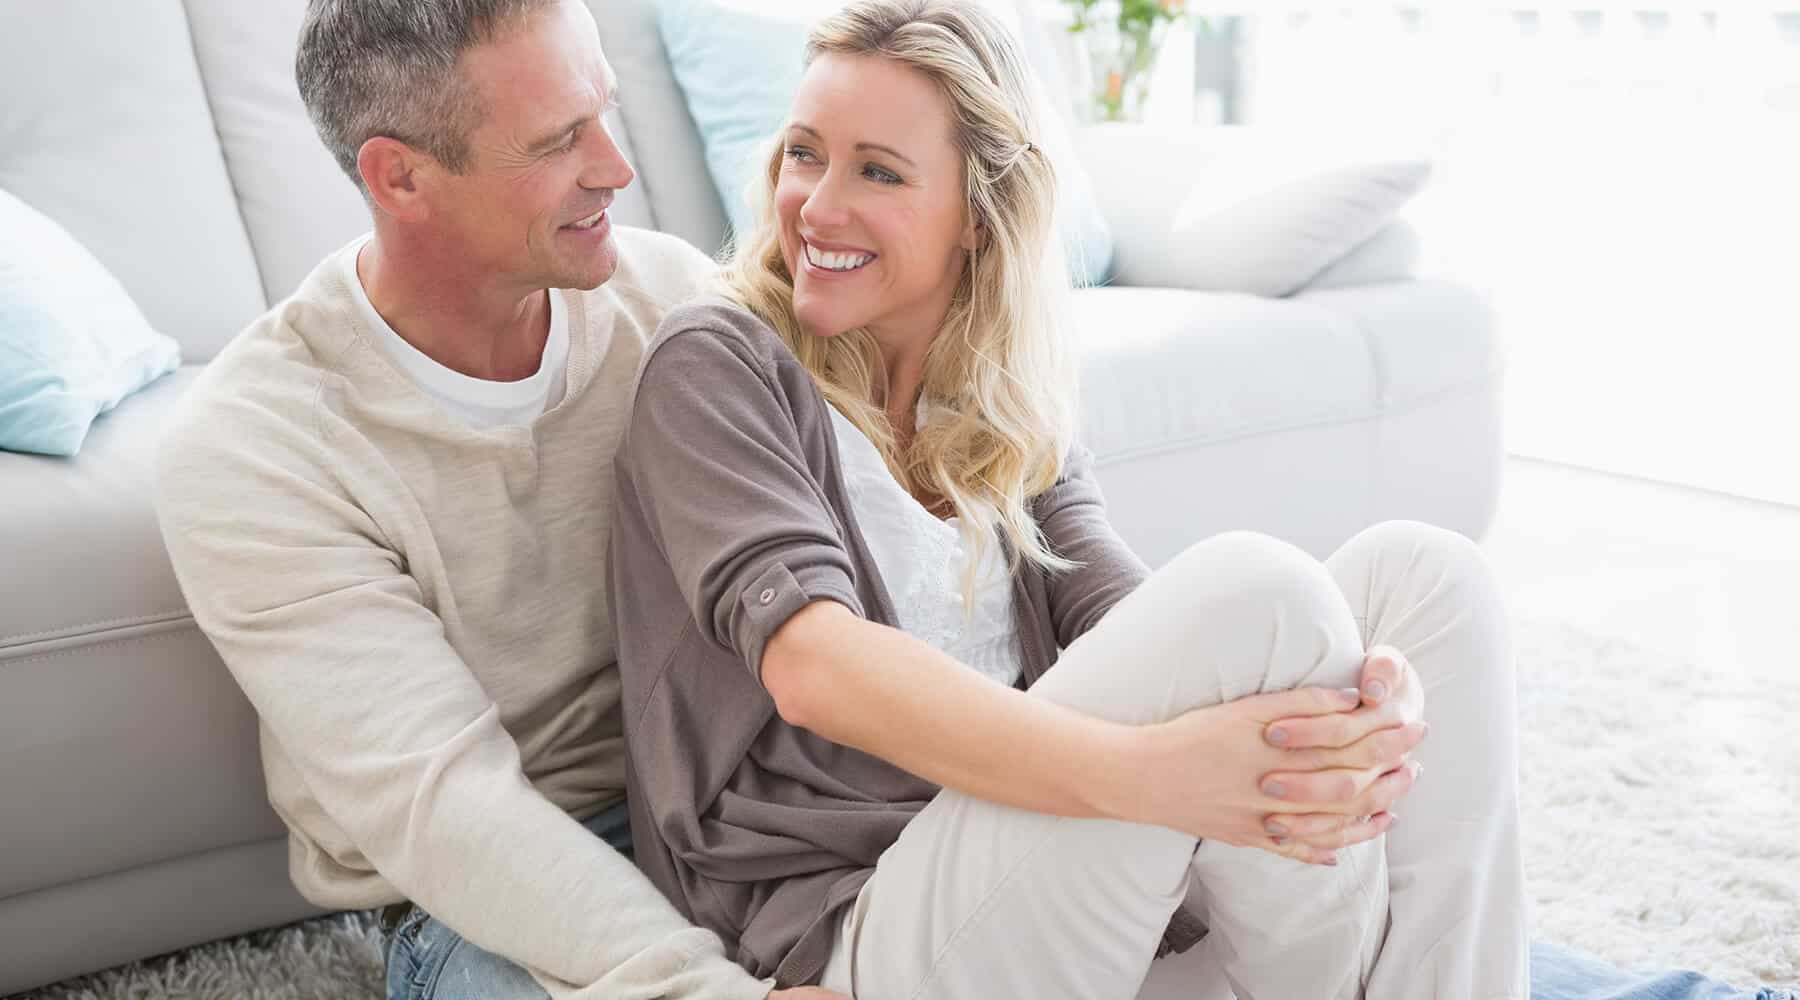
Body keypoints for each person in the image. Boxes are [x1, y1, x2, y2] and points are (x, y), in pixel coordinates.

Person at [608, 1, 1518, 997]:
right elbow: (816, 668)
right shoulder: (720, 361)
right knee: (1265, 596)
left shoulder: (1003, 407)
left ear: (981, 215)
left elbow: (1132, 622)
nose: (817, 206)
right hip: (867, 932)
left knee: (1431, 581)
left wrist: (1365, 711)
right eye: (802, 154)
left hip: (1083, 918)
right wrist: (1162, 777)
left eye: (877, 170)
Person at [153, 1, 839, 998]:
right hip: (489, 894)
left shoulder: (672, 304)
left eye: (601, 112)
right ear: (401, 176)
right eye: (561, 139)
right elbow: (449, 808)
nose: (617, 165)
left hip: (736, 805)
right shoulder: (254, 446)